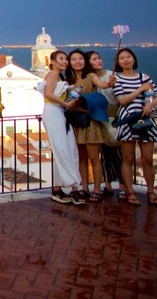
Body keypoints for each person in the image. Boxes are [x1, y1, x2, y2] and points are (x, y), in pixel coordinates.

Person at [112, 47, 157, 207]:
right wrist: (141, 89)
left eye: (128, 56)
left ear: (134, 59)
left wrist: (150, 106)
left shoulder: (145, 77)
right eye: (122, 58)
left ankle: (150, 190)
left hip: (145, 120)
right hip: (128, 120)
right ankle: (130, 191)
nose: (126, 59)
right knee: (127, 158)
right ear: (118, 62)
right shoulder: (116, 79)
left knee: (148, 159)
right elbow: (121, 100)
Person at [37, 50, 85, 205]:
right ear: (52, 61)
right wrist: (66, 104)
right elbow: (49, 94)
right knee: (63, 150)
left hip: (60, 113)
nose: (65, 62)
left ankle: (58, 188)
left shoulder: (59, 76)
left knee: (68, 149)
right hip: (54, 112)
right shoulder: (52, 74)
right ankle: (74, 187)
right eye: (61, 59)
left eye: (66, 59)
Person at [66, 49, 113, 203]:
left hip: (90, 121)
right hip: (77, 122)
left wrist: (109, 83)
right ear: (70, 63)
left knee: (94, 157)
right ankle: (84, 188)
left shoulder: (90, 76)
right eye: (74, 59)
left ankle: (97, 189)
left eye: (80, 58)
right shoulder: (70, 81)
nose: (77, 61)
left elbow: (102, 84)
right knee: (81, 158)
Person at [85, 50, 123, 197]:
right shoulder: (90, 79)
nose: (98, 61)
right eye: (94, 59)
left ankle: (122, 184)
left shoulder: (112, 75)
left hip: (116, 115)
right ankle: (107, 183)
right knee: (105, 152)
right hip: (100, 117)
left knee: (118, 151)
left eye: (99, 58)